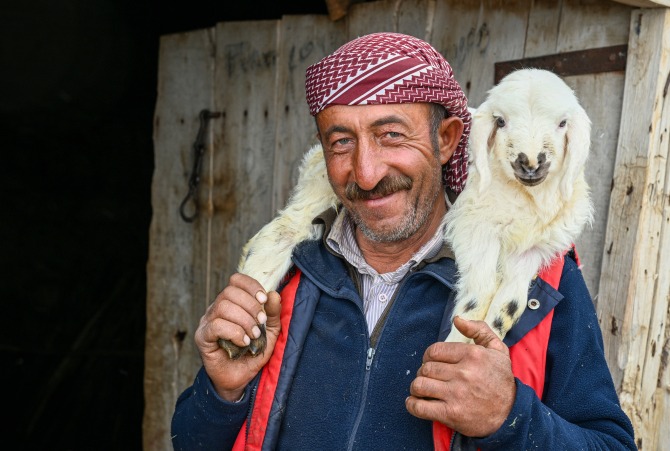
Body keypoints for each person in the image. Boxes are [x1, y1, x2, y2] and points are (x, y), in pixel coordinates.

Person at [171, 33, 637, 451]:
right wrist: (223, 394)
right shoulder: (284, 278)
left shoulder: (538, 282)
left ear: (448, 140)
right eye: (341, 143)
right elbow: (192, 441)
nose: (367, 172)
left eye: (391, 136)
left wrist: (510, 417)